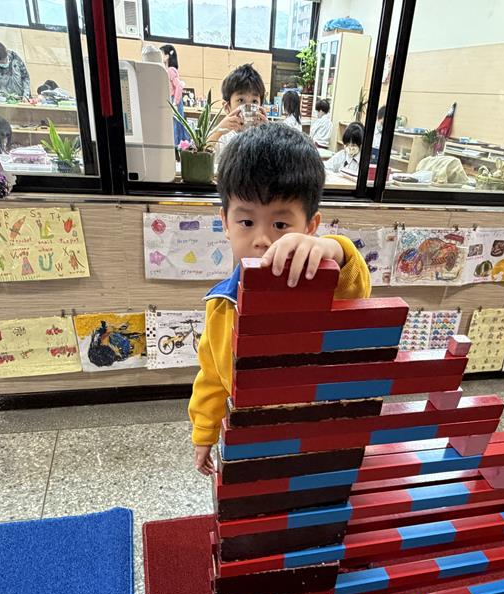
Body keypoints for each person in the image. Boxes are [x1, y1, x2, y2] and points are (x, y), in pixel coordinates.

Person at [189, 124, 372, 474]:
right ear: (225, 222)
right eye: (246, 222)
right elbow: (212, 376)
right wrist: (204, 432)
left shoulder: (318, 282)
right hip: (252, 433)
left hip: (317, 433)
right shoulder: (221, 305)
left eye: (280, 225)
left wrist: (332, 249)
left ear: (310, 226)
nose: (261, 239)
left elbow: (357, 290)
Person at [211, 63, 268, 163]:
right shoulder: (222, 138)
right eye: (241, 100)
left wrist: (268, 132)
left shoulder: (263, 136)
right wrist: (218, 131)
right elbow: (199, 156)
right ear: (227, 107)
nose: (248, 107)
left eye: (254, 101)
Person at [159, 44, 188, 147]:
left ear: (167, 56)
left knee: (175, 124)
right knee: (174, 124)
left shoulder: (170, 70)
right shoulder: (167, 70)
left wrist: (175, 103)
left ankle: (176, 146)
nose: (160, 56)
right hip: (173, 100)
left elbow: (179, 86)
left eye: (161, 54)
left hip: (174, 100)